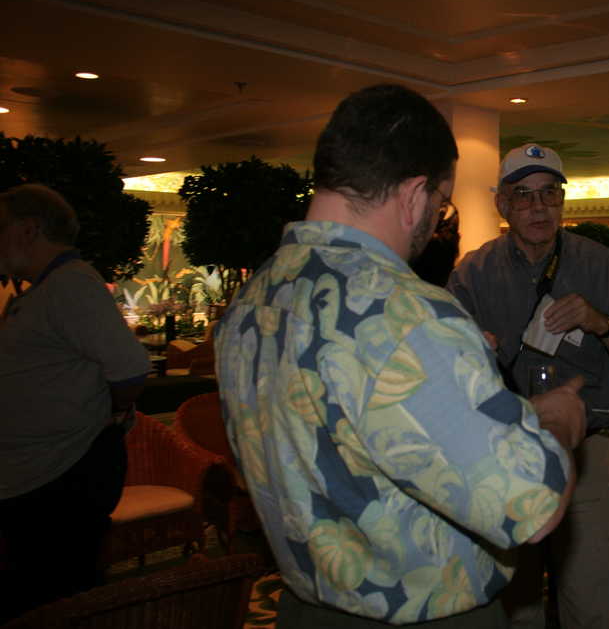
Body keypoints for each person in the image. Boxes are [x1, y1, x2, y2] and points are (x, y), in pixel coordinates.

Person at [214, 85, 585, 628]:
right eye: (441, 204)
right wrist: (556, 423)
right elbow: (532, 509)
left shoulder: (249, 302)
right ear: (415, 195)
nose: (436, 220)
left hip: (300, 609)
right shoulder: (407, 312)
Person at [447, 143, 609, 629]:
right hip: (504, 453)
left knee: (593, 604)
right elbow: (445, 368)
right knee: (515, 607)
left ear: (562, 201)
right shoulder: (474, 274)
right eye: (523, 195)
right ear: (502, 203)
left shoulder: (602, 267)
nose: (538, 207)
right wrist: (474, 349)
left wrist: (600, 323)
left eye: (549, 194)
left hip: (590, 454)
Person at [0, 183, 150, 622]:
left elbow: (130, 370)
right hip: (38, 475)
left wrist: (107, 416)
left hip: (60, 476)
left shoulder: (71, 284)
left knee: (56, 601)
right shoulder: (47, 288)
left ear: (29, 229)